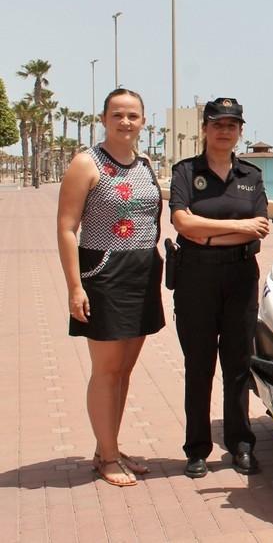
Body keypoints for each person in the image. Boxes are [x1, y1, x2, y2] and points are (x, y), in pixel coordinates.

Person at [57, 88, 164, 486]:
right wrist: (74, 286)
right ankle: (107, 457)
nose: (125, 122)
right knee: (105, 370)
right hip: (103, 272)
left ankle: (109, 447)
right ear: (103, 119)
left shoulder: (147, 164)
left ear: (143, 120)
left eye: (133, 115)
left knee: (125, 369)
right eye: (117, 114)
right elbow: (67, 228)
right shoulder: (86, 164)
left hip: (142, 271)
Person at [169, 98, 269, 478]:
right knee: (198, 366)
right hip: (196, 276)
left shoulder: (251, 176)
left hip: (241, 276)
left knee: (238, 366)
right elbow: (182, 223)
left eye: (232, 125)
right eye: (217, 124)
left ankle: (241, 445)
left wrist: (207, 227)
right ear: (205, 129)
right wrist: (239, 228)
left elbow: (262, 225)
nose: (224, 130)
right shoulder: (185, 172)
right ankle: (196, 449)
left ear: (240, 131)